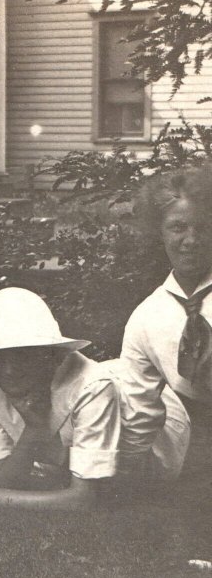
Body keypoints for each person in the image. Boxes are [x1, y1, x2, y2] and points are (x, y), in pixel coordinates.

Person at [0, 288, 188, 510]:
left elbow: (83, 499)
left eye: (22, 355)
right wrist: (33, 430)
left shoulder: (92, 386)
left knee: (124, 488)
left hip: (152, 435)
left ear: (51, 355)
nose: (9, 370)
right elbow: (3, 480)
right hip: (70, 439)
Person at [120, 164, 212, 468]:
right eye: (178, 227)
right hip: (196, 446)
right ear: (159, 232)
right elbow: (140, 409)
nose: (191, 240)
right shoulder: (146, 318)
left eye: (204, 227)